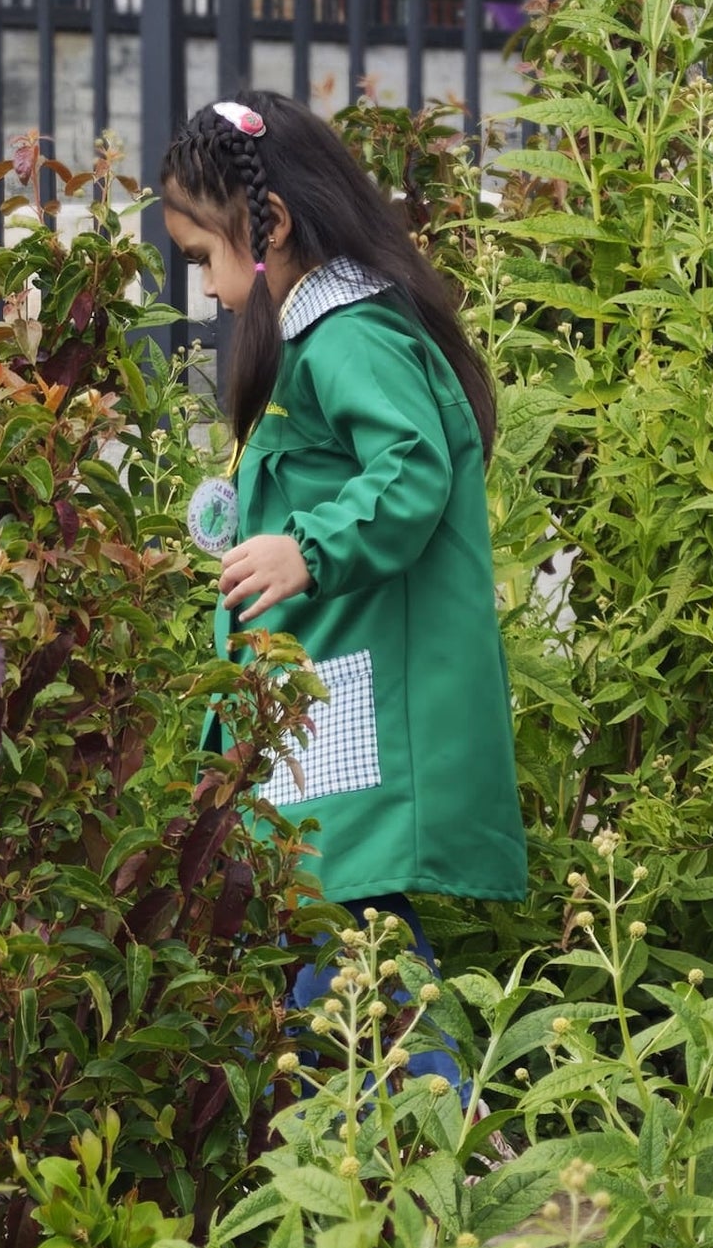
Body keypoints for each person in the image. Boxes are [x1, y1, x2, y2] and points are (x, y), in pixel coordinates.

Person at [159, 90, 526, 1085]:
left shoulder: (350, 330)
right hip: (322, 694)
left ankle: (428, 1143)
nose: (210, 291)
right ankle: (353, 1151)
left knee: (341, 920)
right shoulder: (320, 333)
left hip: (348, 701)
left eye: (205, 258)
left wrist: (305, 550)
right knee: (324, 920)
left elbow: (410, 471)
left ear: (268, 225)